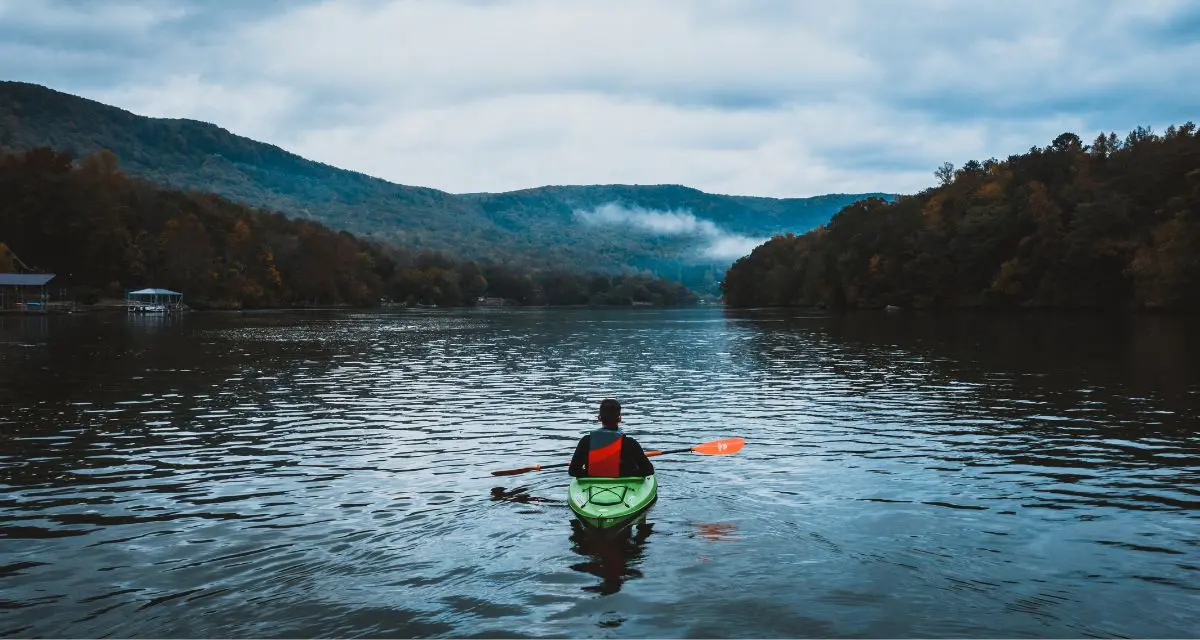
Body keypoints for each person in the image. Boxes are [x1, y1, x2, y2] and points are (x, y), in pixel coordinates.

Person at [568, 399, 655, 477]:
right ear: (619, 419)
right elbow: (648, 470)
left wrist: (589, 474)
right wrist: (630, 473)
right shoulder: (630, 443)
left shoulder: (586, 441)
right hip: (626, 485)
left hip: (592, 484)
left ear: (599, 418)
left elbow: (573, 471)